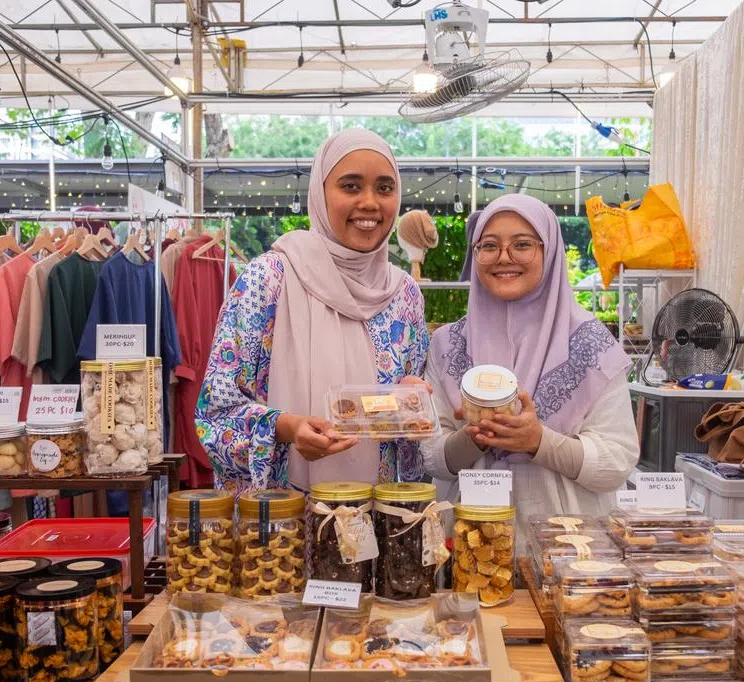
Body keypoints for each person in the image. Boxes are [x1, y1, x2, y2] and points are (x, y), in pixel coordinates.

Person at [197, 129, 429, 493]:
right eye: (351, 186)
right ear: (320, 193)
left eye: (385, 188)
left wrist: (411, 401)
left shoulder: (404, 296)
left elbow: (411, 439)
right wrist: (287, 428)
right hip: (280, 519)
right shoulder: (269, 279)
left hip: (372, 514)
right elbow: (215, 415)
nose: (370, 202)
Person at [421, 193, 638, 525]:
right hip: (469, 543)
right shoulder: (448, 345)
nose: (503, 257)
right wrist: (474, 438)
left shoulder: (592, 344)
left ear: (548, 251)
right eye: (489, 246)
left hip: (567, 543)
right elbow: (431, 458)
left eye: (522, 245)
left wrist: (539, 442)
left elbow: (617, 461)